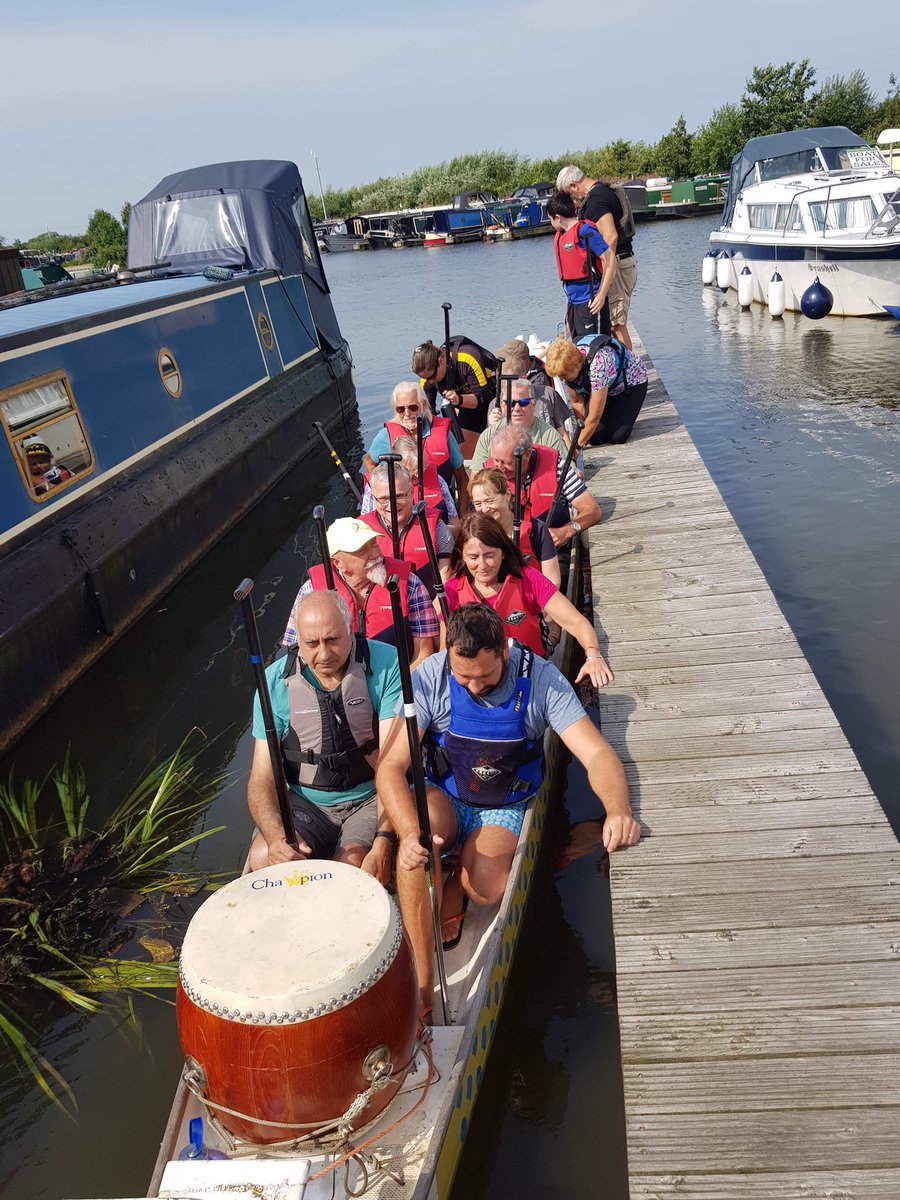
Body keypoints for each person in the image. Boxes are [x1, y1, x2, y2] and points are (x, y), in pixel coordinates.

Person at [376, 603, 640, 1012]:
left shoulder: (541, 680)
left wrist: (618, 809)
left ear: (506, 650)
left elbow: (598, 755)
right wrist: (410, 833)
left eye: (485, 676)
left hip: (502, 804)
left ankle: (452, 876)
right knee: (415, 851)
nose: (475, 687)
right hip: (442, 793)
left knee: (484, 886)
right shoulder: (429, 677)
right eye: (464, 678)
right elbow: (390, 768)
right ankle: (423, 986)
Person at [248, 592, 400, 883]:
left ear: (350, 628)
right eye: (312, 644)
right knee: (264, 857)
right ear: (298, 641)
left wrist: (383, 839)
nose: (324, 654)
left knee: (351, 866)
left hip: (369, 797)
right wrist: (275, 836)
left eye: (332, 640)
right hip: (306, 804)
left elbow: (393, 764)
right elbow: (261, 778)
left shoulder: (385, 664)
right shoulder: (273, 684)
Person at [440, 514, 612, 673]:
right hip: (479, 681)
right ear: (462, 556)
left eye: (489, 555)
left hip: (529, 672)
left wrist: (593, 654)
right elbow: (444, 652)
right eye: (473, 557)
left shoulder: (527, 578)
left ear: (504, 552)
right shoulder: (452, 592)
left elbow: (576, 622)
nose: (483, 565)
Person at [283, 517, 437, 669]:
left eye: (374, 544)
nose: (375, 554)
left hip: (397, 682)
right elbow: (296, 651)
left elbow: (423, 653)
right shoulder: (311, 591)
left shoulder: (408, 582)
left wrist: (396, 689)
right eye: (361, 550)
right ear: (338, 563)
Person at [556, 165, 638, 350]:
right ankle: (617, 367)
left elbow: (611, 236)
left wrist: (604, 277)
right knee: (611, 323)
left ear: (574, 186)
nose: (572, 202)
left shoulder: (596, 200)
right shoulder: (600, 193)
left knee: (617, 324)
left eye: (569, 195)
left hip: (616, 263)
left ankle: (629, 372)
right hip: (617, 263)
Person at [484, 425, 601, 549]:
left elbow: (592, 510)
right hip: (508, 552)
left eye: (507, 463)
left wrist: (566, 531)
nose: (499, 467)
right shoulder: (489, 475)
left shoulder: (557, 467)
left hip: (553, 551)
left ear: (527, 454)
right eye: (496, 460)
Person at [366, 382, 469, 513]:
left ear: (423, 405)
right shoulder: (384, 437)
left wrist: (463, 517)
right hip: (400, 511)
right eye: (401, 409)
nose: (407, 414)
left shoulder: (445, 435)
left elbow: (462, 479)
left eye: (413, 407)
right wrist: (385, 490)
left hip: (439, 507)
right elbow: (369, 462)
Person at [360, 461, 453, 597]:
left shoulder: (437, 528)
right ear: (373, 499)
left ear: (411, 492)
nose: (392, 505)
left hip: (430, 608)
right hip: (383, 611)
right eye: (384, 499)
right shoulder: (362, 531)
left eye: (399, 496)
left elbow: (446, 581)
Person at [544, 334, 648, 447]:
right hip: (605, 389)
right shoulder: (567, 369)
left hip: (630, 384)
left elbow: (594, 418)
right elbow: (577, 402)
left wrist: (576, 447)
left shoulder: (598, 364)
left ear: (577, 366)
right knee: (594, 438)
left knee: (617, 437)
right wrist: (581, 434)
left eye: (563, 375)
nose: (561, 379)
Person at [469, 466, 560, 587]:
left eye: (490, 501)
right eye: (478, 504)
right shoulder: (472, 535)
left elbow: (553, 581)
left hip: (533, 599)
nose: (484, 509)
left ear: (507, 495)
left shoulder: (537, 530)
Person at [362, 434, 461, 539]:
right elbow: (364, 527)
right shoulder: (376, 485)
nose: (417, 475)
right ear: (395, 467)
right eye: (412, 470)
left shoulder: (438, 481)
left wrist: (435, 532)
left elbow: (456, 525)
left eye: (420, 468)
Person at [411, 337, 498, 458]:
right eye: (425, 379)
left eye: (432, 377)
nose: (430, 382)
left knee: (466, 451)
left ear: (441, 361)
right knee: (453, 451)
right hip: (464, 408)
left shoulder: (467, 359)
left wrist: (459, 400)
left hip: (489, 402)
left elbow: (483, 399)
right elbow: (429, 413)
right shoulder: (427, 377)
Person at [547, 191, 616, 339]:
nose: (550, 224)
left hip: (590, 301)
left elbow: (610, 260)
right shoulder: (562, 236)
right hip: (573, 303)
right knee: (578, 348)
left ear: (557, 218)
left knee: (595, 349)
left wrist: (601, 295)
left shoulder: (584, 231)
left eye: (550, 220)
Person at [470, 380, 568, 471]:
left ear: (534, 405)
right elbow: (476, 477)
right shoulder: (487, 436)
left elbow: (568, 472)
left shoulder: (551, 437)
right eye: (511, 403)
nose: (517, 408)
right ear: (502, 406)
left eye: (523, 402)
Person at [487, 349, 575, 442]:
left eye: (511, 382)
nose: (507, 388)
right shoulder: (494, 405)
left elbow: (563, 433)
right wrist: (492, 425)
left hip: (547, 449)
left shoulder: (548, 394)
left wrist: (569, 453)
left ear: (524, 378)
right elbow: (491, 443)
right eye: (502, 384)